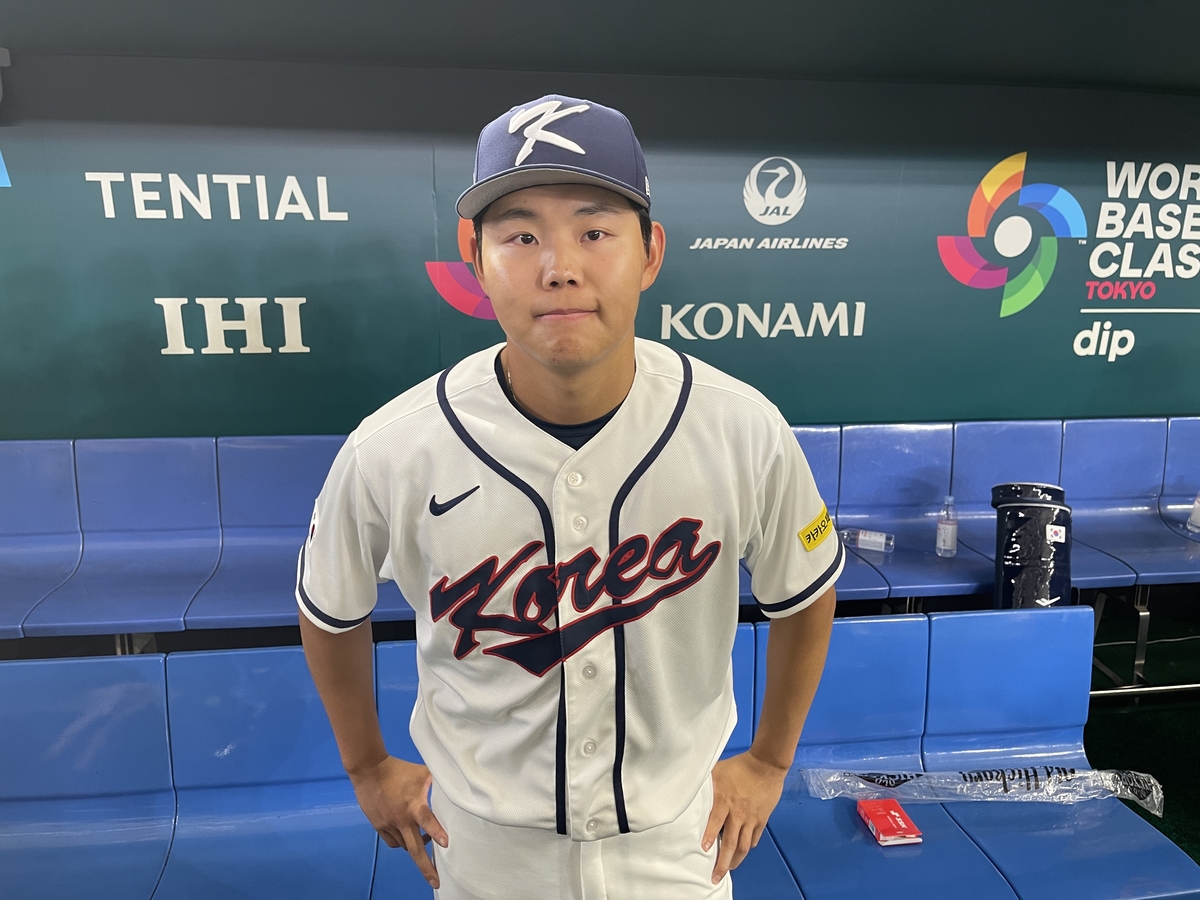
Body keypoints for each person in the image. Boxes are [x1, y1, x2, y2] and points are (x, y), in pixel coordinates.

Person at [297, 94, 842, 899]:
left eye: (595, 231)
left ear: (650, 253)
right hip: (484, 853)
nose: (559, 266)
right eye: (521, 236)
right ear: (474, 256)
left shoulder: (741, 427)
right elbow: (328, 607)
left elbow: (808, 587)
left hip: (678, 847)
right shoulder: (392, 447)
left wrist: (768, 761)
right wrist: (367, 766)